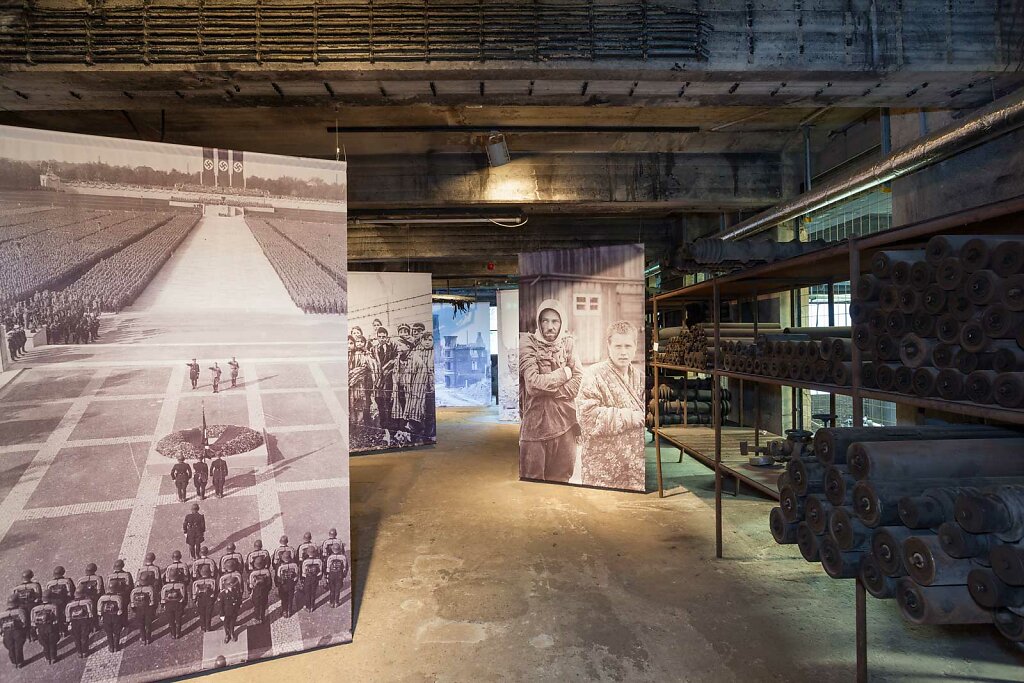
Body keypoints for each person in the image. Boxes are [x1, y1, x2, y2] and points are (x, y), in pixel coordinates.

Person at [519, 298, 583, 482]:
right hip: (535, 430)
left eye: (555, 321)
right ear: (539, 323)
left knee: (561, 481)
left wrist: (552, 391)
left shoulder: (568, 344)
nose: (550, 326)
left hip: (566, 427)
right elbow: (532, 384)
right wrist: (564, 373)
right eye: (545, 321)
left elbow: (578, 380)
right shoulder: (528, 344)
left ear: (561, 323)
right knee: (533, 484)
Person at [578, 321, 646, 491]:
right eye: (617, 346)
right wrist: (628, 416)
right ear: (608, 345)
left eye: (628, 346)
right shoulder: (593, 375)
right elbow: (586, 416)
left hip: (634, 466)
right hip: (602, 469)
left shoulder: (640, 378)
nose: (623, 352)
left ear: (635, 346)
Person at [372, 326, 398, 433]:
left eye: (384, 337)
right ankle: (383, 424)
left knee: (388, 401)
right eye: (380, 337)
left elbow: (395, 360)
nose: (382, 339)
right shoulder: (373, 349)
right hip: (377, 380)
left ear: (387, 338)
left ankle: (389, 424)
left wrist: (388, 367)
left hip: (388, 379)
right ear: (377, 337)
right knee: (379, 401)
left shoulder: (391, 348)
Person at [349, 336, 376, 429]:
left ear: (364, 343)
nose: (359, 343)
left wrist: (357, 372)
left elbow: (367, 367)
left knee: (361, 402)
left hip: (362, 382)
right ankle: (353, 422)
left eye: (361, 341)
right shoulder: (354, 353)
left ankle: (359, 423)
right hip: (353, 382)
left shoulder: (366, 354)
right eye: (357, 341)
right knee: (352, 402)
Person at [30, 593, 61, 664]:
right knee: (52, 643)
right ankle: (53, 658)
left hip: (40, 628)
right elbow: (56, 619)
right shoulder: (53, 607)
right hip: (50, 627)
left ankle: (47, 658)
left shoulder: (35, 609)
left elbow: (33, 622)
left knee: (45, 644)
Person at [65, 586, 94, 658]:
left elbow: (67, 616)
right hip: (84, 620)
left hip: (74, 621)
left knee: (76, 637)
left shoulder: (70, 604)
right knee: (84, 636)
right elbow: (91, 612)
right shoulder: (88, 601)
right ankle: (85, 651)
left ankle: (79, 652)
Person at [1, 597, 28, 668]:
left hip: (7, 633)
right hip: (17, 631)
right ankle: (20, 662)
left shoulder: (3, 614)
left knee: (10, 647)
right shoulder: (20, 611)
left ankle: (14, 662)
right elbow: (24, 621)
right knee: (18, 647)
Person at [129, 576, 157, 645]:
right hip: (148, 608)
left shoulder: (134, 591)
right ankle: (148, 638)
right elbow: (152, 602)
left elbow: (132, 604)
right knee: (148, 624)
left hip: (138, 609)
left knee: (141, 624)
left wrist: (135, 610)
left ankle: (143, 638)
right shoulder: (150, 589)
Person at [97, 587, 125, 652]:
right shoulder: (118, 597)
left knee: (109, 633)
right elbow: (121, 607)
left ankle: (111, 647)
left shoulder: (102, 598)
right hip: (116, 616)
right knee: (117, 632)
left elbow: (99, 608)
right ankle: (116, 647)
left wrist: (100, 615)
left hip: (106, 616)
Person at [191, 565, 218, 632]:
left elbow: (194, 594)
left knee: (202, 614)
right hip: (209, 599)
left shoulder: (196, 582)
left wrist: (195, 600)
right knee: (208, 614)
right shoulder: (212, 581)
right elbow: (215, 591)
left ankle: (203, 628)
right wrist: (213, 599)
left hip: (200, 599)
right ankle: (208, 627)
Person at [248, 557, 273, 623]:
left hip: (256, 593)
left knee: (256, 606)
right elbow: (269, 583)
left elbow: (250, 585)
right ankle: (262, 617)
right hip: (264, 592)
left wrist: (250, 592)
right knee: (263, 605)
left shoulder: (252, 573)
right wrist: (268, 590)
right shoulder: (266, 571)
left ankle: (257, 617)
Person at [219, 574, 242, 643]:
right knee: (226, 625)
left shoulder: (236, 591)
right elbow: (221, 605)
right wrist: (221, 614)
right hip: (226, 612)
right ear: (227, 586)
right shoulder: (222, 594)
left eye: (233, 586)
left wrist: (239, 606)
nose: (232, 587)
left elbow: (238, 599)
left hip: (234, 611)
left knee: (232, 623)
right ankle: (227, 635)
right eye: (230, 586)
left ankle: (232, 633)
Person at [325, 543, 348, 608]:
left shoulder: (329, 557)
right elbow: (345, 568)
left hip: (331, 575)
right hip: (339, 575)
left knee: (332, 589)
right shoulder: (343, 557)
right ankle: (336, 602)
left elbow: (327, 568)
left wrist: (327, 577)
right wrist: (344, 575)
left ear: (332, 550)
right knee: (338, 589)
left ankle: (331, 602)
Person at [300, 548, 323, 613]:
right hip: (315, 578)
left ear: (308, 553)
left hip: (308, 578)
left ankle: (307, 607)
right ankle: (312, 606)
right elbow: (320, 572)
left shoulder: (305, 561)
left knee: (307, 593)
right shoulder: (319, 561)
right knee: (313, 592)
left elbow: (303, 573)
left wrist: (303, 580)